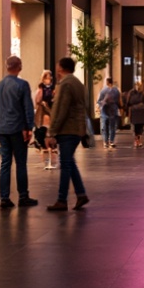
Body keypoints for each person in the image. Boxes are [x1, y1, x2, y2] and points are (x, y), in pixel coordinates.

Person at [0, 55, 37, 209]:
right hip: (17, 129)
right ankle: (23, 196)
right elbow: (27, 108)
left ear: (7, 66)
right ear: (20, 66)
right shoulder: (22, 85)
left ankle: (4, 198)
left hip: (2, 129)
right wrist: (29, 128)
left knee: (5, 163)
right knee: (21, 163)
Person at [44, 57, 90, 211]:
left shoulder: (65, 84)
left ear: (61, 68)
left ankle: (62, 200)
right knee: (69, 162)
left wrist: (51, 132)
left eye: (57, 67)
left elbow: (60, 110)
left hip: (67, 130)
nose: (56, 70)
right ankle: (81, 194)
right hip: (76, 129)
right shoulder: (78, 83)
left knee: (65, 165)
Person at [35, 70, 57, 169]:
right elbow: (37, 100)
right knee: (45, 134)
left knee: (50, 135)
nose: (50, 79)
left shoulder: (52, 89)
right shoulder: (41, 89)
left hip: (51, 113)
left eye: (50, 77)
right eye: (48, 77)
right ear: (44, 79)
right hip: (44, 114)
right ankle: (47, 160)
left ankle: (50, 160)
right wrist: (43, 103)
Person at [97, 77, 121, 149]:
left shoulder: (103, 90)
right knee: (112, 126)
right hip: (113, 110)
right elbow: (118, 101)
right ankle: (111, 141)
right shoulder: (116, 91)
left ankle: (105, 142)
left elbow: (99, 101)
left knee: (104, 126)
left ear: (107, 82)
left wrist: (102, 103)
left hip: (105, 110)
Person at [127, 80, 144, 148]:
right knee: (136, 127)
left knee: (140, 127)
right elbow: (129, 102)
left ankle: (138, 140)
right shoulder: (131, 93)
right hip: (135, 112)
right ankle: (137, 140)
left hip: (140, 112)